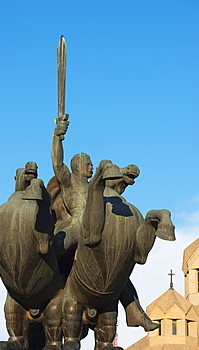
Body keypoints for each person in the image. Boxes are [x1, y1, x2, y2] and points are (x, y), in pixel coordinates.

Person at [50, 115, 159, 332]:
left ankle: (134, 310)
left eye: (91, 165)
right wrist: (57, 137)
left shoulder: (95, 185)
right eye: (87, 164)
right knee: (52, 252)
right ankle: (47, 287)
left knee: (118, 266)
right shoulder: (69, 180)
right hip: (78, 226)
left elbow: (115, 181)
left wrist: (127, 173)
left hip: (99, 225)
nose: (91, 167)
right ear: (77, 166)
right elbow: (56, 162)